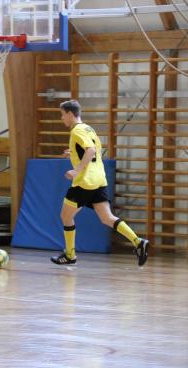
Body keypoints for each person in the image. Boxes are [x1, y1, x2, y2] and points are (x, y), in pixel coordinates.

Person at [51, 100, 149, 266]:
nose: (62, 118)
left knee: (66, 216)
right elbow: (92, 149)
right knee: (107, 218)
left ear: (69, 113)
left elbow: (90, 150)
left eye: (62, 115)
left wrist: (76, 170)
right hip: (99, 179)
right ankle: (138, 242)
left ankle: (70, 255)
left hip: (85, 181)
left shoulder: (77, 130)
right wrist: (73, 152)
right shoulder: (89, 128)